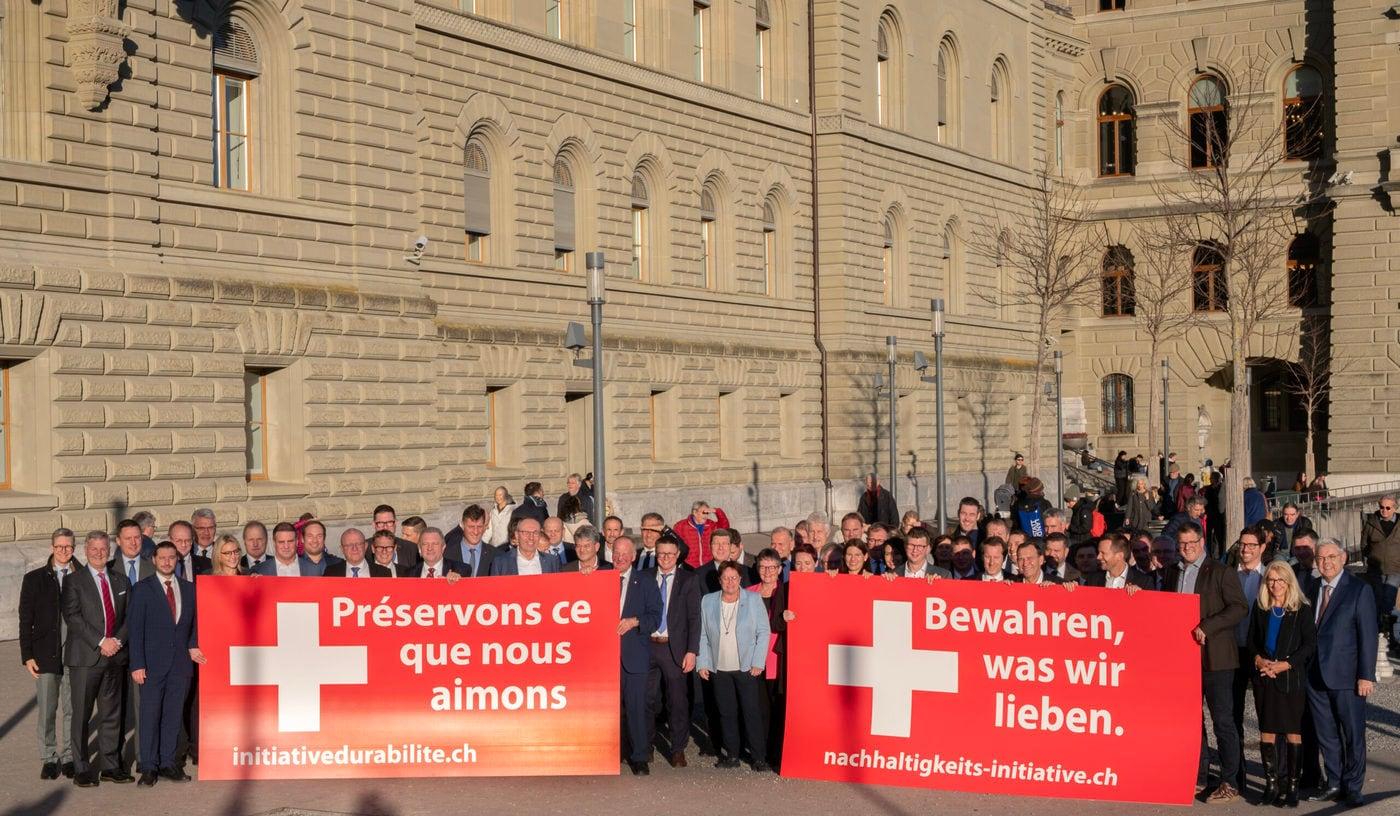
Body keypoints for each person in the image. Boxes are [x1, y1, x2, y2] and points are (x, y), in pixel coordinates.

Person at [1164, 521, 1248, 802]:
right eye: (1182, 544)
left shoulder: (1221, 571)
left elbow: (1239, 607)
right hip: (1183, 658)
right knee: (1191, 721)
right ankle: (1198, 774)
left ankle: (1230, 781)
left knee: (1222, 721)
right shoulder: (1172, 572)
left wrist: (1208, 626)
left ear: (1201, 542)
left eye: (1191, 543)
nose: (1186, 548)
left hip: (1216, 658)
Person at [1304, 539, 1377, 808]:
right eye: (1321, 558)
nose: (1327, 562)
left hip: (1347, 676)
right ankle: (1334, 782)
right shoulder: (1311, 588)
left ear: (1343, 558)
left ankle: (1353, 786)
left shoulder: (1358, 590)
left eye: (1332, 557)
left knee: (1352, 733)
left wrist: (1366, 675)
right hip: (1315, 676)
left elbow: (1368, 636)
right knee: (1326, 733)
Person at [127, 541, 206, 786]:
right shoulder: (143, 589)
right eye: (162, 558)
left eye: (172, 558)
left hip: (180, 665)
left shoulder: (189, 589)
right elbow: (135, 629)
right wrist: (137, 664)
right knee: (150, 716)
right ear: (154, 560)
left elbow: (194, 624)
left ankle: (168, 763)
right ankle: (149, 767)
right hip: (151, 665)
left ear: (177, 560)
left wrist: (193, 644)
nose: (167, 562)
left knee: (173, 716)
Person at [63, 531, 133, 787]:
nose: (99, 553)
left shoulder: (121, 580)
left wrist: (117, 641)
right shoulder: (74, 581)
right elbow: (72, 617)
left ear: (110, 550)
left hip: (115, 656)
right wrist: (101, 641)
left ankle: (110, 765)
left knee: (111, 715)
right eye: (94, 548)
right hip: (86, 657)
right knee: (81, 714)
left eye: (103, 548)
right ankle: (81, 767)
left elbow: (128, 618)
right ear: (85, 550)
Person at [1248, 560, 1317, 807]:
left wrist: (1285, 664)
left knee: (1292, 732)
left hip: (1290, 678)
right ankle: (1271, 784)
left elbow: (1309, 645)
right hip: (1265, 677)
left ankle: (1292, 787)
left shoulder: (1302, 609)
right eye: (1270, 580)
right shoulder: (1260, 607)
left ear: (1289, 582)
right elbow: (1252, 640)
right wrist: (1258, 660)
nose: (1275, 584)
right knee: (1267, 729)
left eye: (1279, 580)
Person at [697, 561, 771, 772]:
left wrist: (758, 661)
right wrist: (703, 662)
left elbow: (763, 632)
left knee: (751, 712)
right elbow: (702, 634)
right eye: (725, 578)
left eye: (734, 578)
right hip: (719, 667)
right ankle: (732, 754)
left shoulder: (753, 599)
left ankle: (758, 757)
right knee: (726, 713)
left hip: (746, 667)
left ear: (740, 579)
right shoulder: (708, 601)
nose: (730, 582)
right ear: (719, 580)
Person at [20, 529, 78, 780]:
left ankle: (68, 757)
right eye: (59, 546)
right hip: (45, 654)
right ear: (52, 547)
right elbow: (25, 620)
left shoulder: (83, 576)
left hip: (75, 653)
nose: (64, 551)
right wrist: (27, 655)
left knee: (72, 709)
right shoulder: (35, 579)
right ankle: (49, 757)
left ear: (74, 548)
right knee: (47, 709)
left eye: (68, 547)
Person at [646, 538, 701, 768]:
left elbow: (694, 618)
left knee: (677, 701)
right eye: (661, 554)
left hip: (674, 648)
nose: (665, 558)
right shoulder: (646, 578)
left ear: (677, 554)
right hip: (648, 645)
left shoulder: (689, 580)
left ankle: (678, 748)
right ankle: (645, 746)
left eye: (670, 553)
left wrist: (692, 650)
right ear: (655, 555)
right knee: (647, 700)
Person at [614, 536, 662, 775]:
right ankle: (614, 754)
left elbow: (655, 617)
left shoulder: (645, 582)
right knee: (611, 710)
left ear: (633, 556)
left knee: (636, 708)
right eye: (616, 553)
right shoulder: (603, 578)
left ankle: (640, 756)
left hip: (635, 656)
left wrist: (635, 621)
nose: (620, 558)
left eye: (625, 554)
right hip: (607, 658)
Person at [1230, 528, 1269, 794]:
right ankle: (1236, 775)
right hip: (1233, 652)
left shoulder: (1271, 577)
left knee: (1267, 716)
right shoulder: (1229, 575)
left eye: (1251, 545)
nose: (1246, 549)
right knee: (1232, 716)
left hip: (1261, 654)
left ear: (1262, 547)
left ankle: (1272, 776)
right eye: (1242, 544)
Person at [1360, 494, 1399, 618]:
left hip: (1395, 568)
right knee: (1377, 596)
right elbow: (1364, 544)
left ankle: (1386, 623)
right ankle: (1380, 625)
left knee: (1389, 595)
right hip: (1376, 569)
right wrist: (1369, 559)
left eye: (1388, 508)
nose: (1384, 510)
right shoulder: (1371, 523)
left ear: (1395, 508)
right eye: (1382, 507)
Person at [489, 517, 559, 576]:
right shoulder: (501, 562)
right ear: (517, 535)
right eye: (526, 533)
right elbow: (495, 590)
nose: (531, 537)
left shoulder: (552, 561)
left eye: (535, 533)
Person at [444, 504, 497, 577]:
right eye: (471, 527)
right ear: (462, 525)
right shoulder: (447, 553)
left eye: (479, 526)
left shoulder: (495, 555)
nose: (476, 532)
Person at [675, 501, 731, 570]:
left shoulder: (711, 525)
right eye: (704, 513)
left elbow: (725, 527)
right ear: (695, 512)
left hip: (708, 564)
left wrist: (717, 511)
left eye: (708, 513)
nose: (706, 516)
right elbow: (675, 544)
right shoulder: (681, 526)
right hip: (689, 565)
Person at [1085, 534, 1152, 591]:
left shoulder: (1144, 581)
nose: (1098, 557)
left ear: (1119, 556)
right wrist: (1075, 589)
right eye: (1098, 553)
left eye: (1103, 553)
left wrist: (1141, 596)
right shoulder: (1092, 579)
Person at [252, 523, 319, 577]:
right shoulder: (258, 570)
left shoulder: (314, 570)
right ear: (274, 543)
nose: (286, 546)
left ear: (297, 542)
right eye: (281, 542)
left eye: (290, 541)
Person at [324, 529, 390, 577]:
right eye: (349, 545)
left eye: (358, 544)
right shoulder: (331, 573)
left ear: (366, 546)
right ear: (342, 549)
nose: (354, 548)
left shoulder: (384, 573)